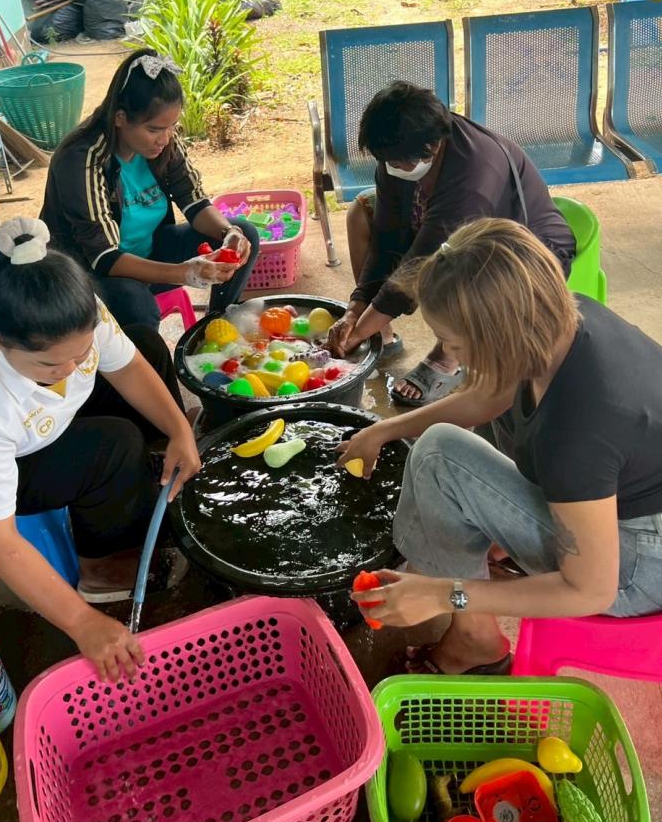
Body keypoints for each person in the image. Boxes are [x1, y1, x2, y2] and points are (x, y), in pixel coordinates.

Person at [338, 219, 662, 675]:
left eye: (452, 343)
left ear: (498, 337)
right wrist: (382, 431)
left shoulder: (576, 429)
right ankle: (467, 556)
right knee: (455, 441)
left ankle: (474, 641)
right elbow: (489, 396)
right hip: (622, 507)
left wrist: (445, 593)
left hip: (638, 569)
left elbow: (591, 590)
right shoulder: (560, 318)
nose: (449, 356)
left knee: (438, 457)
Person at [0, 217, 201, 683]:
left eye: (80, 355)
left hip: (27, 420)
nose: (70, 370)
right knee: (113, 446)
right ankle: (105, 572)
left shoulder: (69, 307)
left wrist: (180, 430)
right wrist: (82, 623)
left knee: (146, 343)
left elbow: (127, 365)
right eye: (49, 363)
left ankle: (149, 481)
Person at [326, 82, 576, 406]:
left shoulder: (473, 174)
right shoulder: (400, 145)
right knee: (361, 214)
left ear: (431, 148)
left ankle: (448, 355)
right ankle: (380, 335)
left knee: (465, 272)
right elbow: (387, 237)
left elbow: (421, 265)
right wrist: (355, 309)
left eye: (396, 163)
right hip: (445, 227)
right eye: (385, 161)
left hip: (525, 252)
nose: (389, 168)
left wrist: (358, 331)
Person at [40, 48, 260, 331]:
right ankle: (144, 357)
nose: (165, 139)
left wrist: (229, 233)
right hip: (89, 273)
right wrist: (185, 273)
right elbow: (103, 257)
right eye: (154, 130)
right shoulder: (81, 158)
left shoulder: (163, 143)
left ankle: (218, 324)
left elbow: (194, 201)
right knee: (138, 305)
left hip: (149, 250)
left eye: (172, 127)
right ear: (120, 118)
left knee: (244, 234)